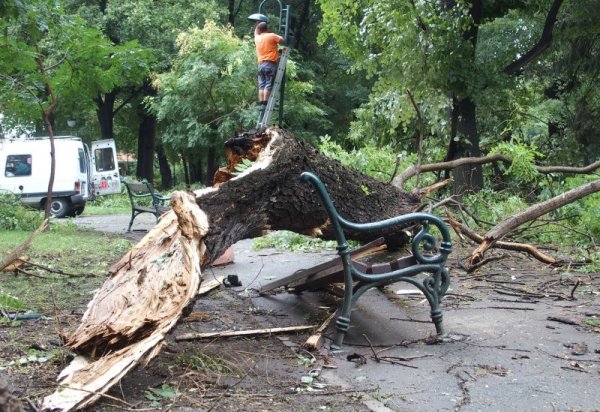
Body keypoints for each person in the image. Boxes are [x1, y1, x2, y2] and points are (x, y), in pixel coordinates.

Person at [254, 21, 286, 117]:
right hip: (270, 64)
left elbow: (256, 32)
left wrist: (257, 24)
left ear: (259, 30)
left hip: (260, 65)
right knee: (268, 83)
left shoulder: (257, 38)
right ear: (267, 29)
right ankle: (265, 103)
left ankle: (262, 104)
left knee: (262, 85)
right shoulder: (271, 36)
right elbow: (283, 41)